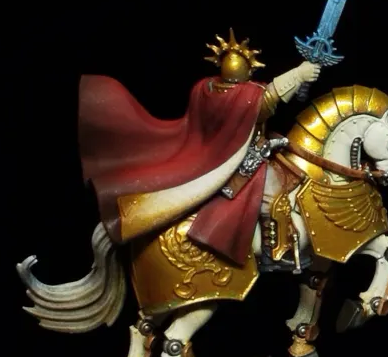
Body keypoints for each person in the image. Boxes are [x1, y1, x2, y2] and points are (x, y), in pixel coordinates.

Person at [78, 29, 319, 264]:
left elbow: (260, 97)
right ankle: (272, 250)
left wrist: (298, 81)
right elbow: (264, 102)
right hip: (232, 162)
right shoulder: (234, 97)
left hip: (232, 152)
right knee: (272, 194)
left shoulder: (206, 89)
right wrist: (298, 74)